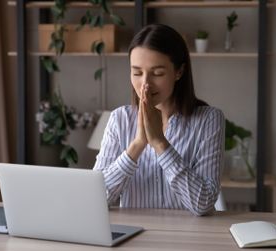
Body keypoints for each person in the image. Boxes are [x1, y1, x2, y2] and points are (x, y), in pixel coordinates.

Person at [93, 24, 225, 216]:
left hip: (189, 240)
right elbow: (96, 199)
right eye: (137, 72)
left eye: (157, 73)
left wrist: (159, 143)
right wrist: (137, 145)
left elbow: (203, 204)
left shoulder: (209, 120)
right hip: (133, 238)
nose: (145, 83)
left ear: (179, 71)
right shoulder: (119, 119)